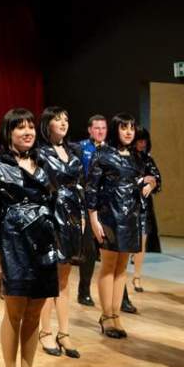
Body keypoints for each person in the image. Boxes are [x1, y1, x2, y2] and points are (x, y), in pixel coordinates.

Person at [0, 108, 62, 367]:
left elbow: (54, 202)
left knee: (34, 315)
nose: (27, 132)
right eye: (20, 127)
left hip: (44, 244)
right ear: (8, 132)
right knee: (14, 313)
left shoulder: (43, 161)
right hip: (13, 244)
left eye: (30, 127)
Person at [87, 114, 151, 339]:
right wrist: (93, 219)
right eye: (124, 128)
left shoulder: (136, 157)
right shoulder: (102, 154)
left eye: (132, 128)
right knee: (108, 266)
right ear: (116, 130)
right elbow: (91, 189)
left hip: (131, 217)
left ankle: (116, 315)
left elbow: (150, 177)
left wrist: (151, 182)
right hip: (108, 216)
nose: (129, 132)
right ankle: (106, 316)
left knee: (122, 268)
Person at [34, 107, 85, 359]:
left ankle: (64, 332)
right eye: (57, 119)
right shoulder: (39, 153)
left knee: (64, 278)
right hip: (50, 215)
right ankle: (45, 331)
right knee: (49, 277)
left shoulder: (74, 151)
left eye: (66, 119)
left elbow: (81, 185)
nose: (63, 123)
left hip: (72, 216)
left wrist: (82, 215)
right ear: (47, 124)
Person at [128, 126, 163, 309]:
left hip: (143, 207)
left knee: (142, 241)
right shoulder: (126, 157)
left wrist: (152, 183)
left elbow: (157, 178)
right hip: (126, 206)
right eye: (139, 140)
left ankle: (137, 276)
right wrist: (143, 181)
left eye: (144, 141)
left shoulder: (148, 159)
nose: (142, 144)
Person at [75, 115, 108, 306]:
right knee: (89, 250)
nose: (100, 131)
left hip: (107, 207)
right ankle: (84, 291)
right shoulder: (80, 148)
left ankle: (122, 298)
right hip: (87, 206)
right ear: (89, 130)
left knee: (113, 250)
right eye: (97, 128)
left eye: (103, 128)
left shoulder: (110, 150)